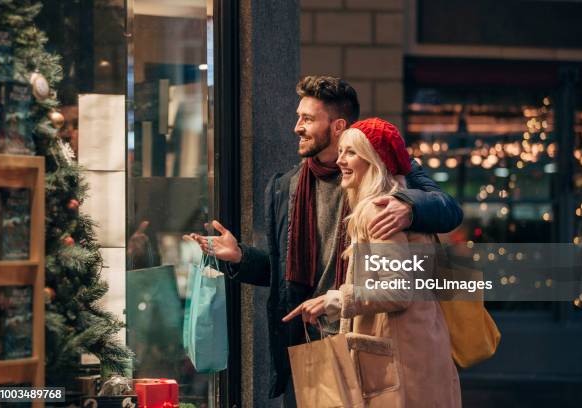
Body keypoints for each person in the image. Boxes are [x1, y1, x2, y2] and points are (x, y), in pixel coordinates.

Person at [187, 76, 463, 406]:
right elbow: (284, 273)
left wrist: (409, 206)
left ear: (337, 125)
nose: (297, 127)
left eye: (307, 118)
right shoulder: (286, 187)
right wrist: (241, 257)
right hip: (312, 339)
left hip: (366, 339)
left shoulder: (383, 181)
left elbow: (448, 210)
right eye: (297, 117)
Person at [283, 118, 461, 407]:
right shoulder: (398, 204)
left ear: (374, 159)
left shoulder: (378, 210)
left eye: (351, 152)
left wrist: (338, 299)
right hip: (418, 350)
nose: (340, 160)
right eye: (341, 151)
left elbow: (399, 291)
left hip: (400, 364)